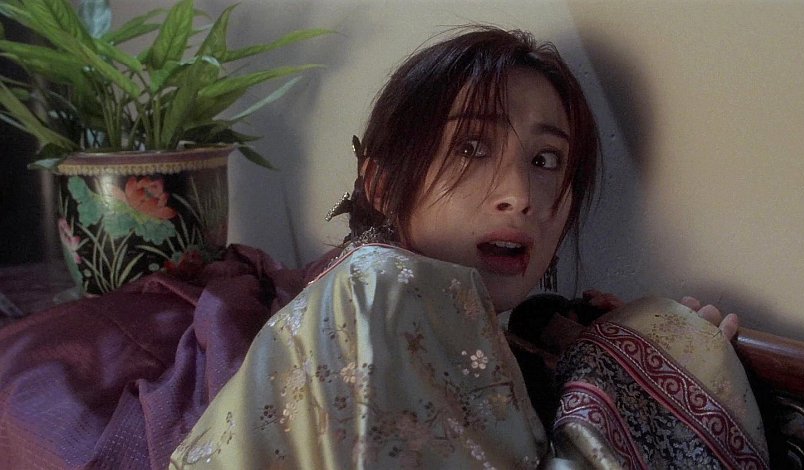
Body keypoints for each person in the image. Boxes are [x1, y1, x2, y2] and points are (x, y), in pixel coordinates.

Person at [169, 27, 766, 469]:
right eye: (471, 148)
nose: (520, 196)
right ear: (382, 186)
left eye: (546, 160)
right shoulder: (376, 286)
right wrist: (646, 378)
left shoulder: (522, 343)